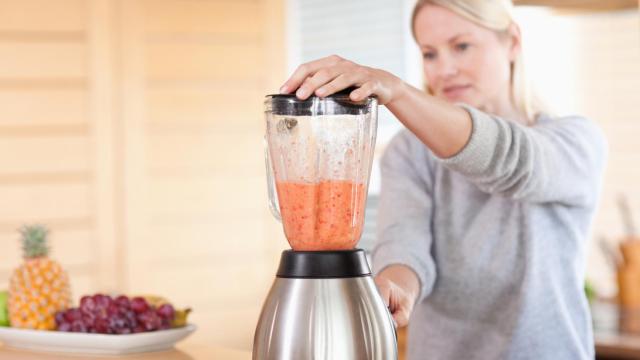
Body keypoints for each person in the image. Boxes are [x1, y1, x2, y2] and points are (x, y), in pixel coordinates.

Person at [279, 0, 607, 358]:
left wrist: (397, 91)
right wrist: (395, 285)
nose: (444, 69)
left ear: (512, 42)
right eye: (429, 53)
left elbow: (509, 160)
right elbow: (404, 242)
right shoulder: (409, 152)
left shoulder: (575, 142)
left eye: (461, 46)